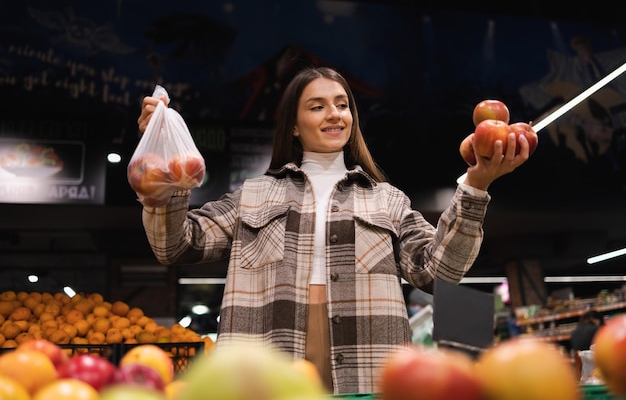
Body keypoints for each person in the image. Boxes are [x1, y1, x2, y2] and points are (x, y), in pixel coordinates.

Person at [136, 66, 531, 394]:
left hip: (369, 358)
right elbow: (177, 245)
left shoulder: (387, 199)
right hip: (268, 357)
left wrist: (476, 186)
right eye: (317, 106)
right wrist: (161, 162)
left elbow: (439, 272)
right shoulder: (253, 195)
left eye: (342, 105)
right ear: (293, 125)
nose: (335, 114)